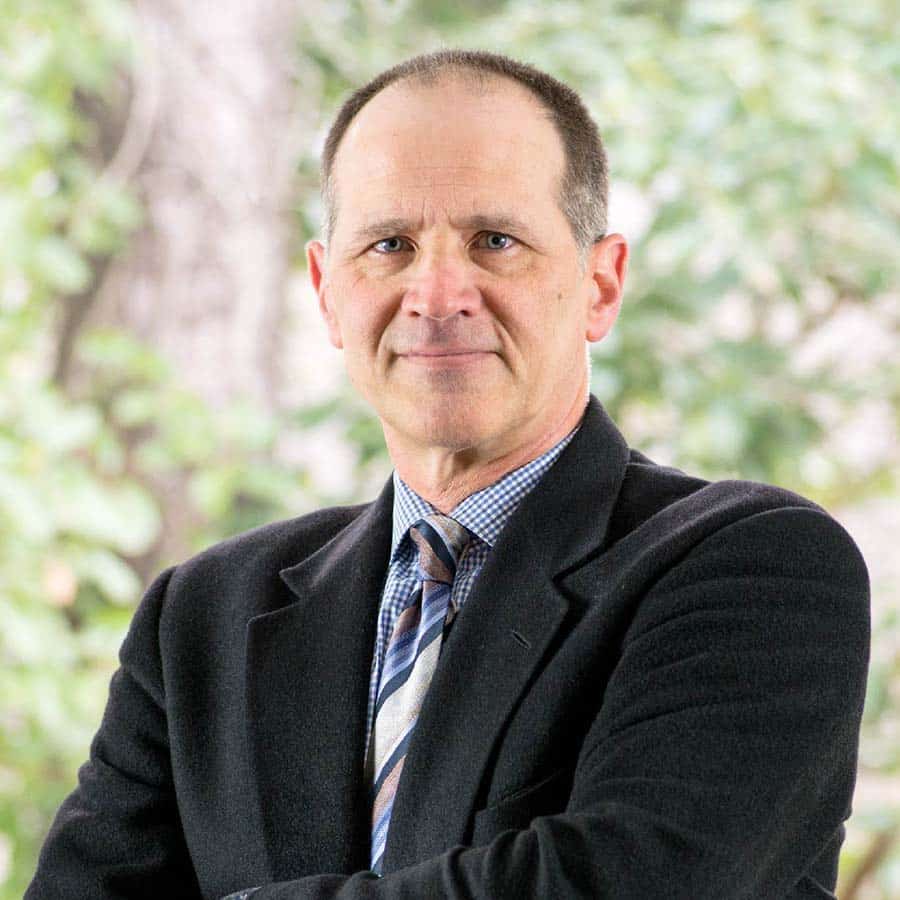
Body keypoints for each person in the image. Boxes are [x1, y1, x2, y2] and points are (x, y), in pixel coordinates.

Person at [27, 48, 870, 900]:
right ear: (326, 292)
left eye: (494, 241)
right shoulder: (201, 619)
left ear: (600, 286)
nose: (437, 294)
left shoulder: (755, 567)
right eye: (388, 245)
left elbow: (620, 884)